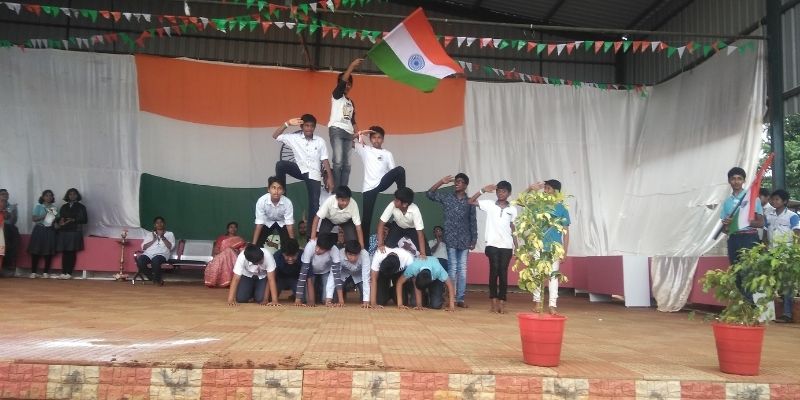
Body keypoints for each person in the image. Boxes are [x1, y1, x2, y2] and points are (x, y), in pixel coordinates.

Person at [274, 114, 334, 235]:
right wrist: (287, 123)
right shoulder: (294, 138)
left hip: (314, 174)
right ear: (301, 126)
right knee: (280, 165)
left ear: (314, 127)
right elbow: (275, 135)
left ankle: (310, 235)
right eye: (306, 125)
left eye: (312, 126)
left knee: (314, 204)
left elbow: (325, 160)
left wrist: (330, 178)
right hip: (300, 170)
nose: (309, 128)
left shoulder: (320, 141)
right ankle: (282, 195)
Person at [427, 174, 478, 304]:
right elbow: (429, 194)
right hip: (450, 239)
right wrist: (441, 182)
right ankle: (451, 298)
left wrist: (474, 239)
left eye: (460, 182)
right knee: (452, 268)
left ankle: (460, 298)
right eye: (456, 181)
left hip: (465, 239)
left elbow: (473, 221)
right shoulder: (447, 197)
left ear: (466, 185)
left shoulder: (470, 201)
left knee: (462, 270)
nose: (456, 183)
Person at [469, 181, 518, 313]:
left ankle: (502, 302)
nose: (500, 193)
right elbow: (470, 201)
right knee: (494, 270)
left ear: (509, 193)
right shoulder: (489, 204)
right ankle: (493, 301)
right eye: (498, 191)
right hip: (492, 244)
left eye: (504, 191)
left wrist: (517, 246)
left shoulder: (512, 209)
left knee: (503, 272)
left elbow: (513, 229)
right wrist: (482, 190)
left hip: (507, 246)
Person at [720, 167, 764, 302]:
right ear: (729, 181)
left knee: (749, 271)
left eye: (739, 178)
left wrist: (744, 220)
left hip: (749, 238)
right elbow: (725, 230)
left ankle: (751, 305)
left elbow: (761, 223)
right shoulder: (726, 202)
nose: (736, 181)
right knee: (737, 272)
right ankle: (743, 305)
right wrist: (727, 224)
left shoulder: (752, 198)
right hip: (734, 238)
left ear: (744, 181)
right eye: (733, 179)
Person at [527, 180, 571, 315]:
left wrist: (564, 251)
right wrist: (530, 189)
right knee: (536, 274)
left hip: (554, 247)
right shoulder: (539, 205)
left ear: (556, 191)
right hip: (538, 246)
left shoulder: (562, 208)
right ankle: (537, 302)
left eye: (548, 188)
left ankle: (552, 305)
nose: (545, 191)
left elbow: (566, 231)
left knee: (553, 276)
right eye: (544, 188)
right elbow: (522, 203)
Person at [354, 126, 406, 237]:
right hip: (368, 188)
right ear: (370, 139)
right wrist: (360, 133)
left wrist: (399, 192)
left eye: (379, 137)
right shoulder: (364, 149)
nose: (376, 140)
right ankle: (364, 246)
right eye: (374, 137)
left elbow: (394, 172)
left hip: (382, 183)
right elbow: (346, 140)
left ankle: (402, 198)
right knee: (366, 219)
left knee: (400, 170)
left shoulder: (387, 154)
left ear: (383, 139)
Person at [765, 189, 800, 323]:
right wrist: (765, 247)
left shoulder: (792, 216)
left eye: (777, 199)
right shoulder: (768, 215)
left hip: (786, 253)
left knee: (787, 283)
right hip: (771, 253)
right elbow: (765, 234)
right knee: (772, 282)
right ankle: (769, 313)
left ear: (784, 201)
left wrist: (795, 252)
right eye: (772, 199)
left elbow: (797, 234)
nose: (774, 201)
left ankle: (787, 314)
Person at [328, 58, 363, 188]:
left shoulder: (350, 102)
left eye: (349, 84)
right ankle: (337, 191)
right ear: (340, 84)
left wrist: (359, 135)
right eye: (345, 83)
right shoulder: (336, 95)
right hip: (336, 130)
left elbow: (352, 120)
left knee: (347, 165)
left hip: (348, 133)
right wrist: (352, 66)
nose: (347, 86)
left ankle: (343, 191)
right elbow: (342, 82)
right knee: (338, 162)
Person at [376, 188, 428, 259]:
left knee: (426, 252)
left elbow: (420, 233)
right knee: (387, 247)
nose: (394, 201)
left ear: (405, 204)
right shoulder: (392, 204)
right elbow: (381, 224)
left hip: (412, 228)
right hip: (397, 226)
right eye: (395, 199)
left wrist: (423, 253)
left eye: (397, 200)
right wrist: (380, 244)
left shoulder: (415, 210)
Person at [294, 235, 344, 307]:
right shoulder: (310, 245)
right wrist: (298, 299)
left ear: (328, 250)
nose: (317, 250)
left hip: (325, 271)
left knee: (325, 300)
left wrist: (340, 300)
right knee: (305, 300)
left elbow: (336, 276)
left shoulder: (334, 250)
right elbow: (303, 274)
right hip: (310, 270)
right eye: (317, 246)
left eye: (321, 249)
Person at [311, 185, 365, 250]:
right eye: (342, 200)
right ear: (336, 198)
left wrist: (362, 245)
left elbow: (358, 227)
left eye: (348, 200)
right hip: (329, 220)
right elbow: (317, 217)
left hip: (346, 222)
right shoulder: (330, 200)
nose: (345, 203)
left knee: (352, 240)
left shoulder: (353, 204)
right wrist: (313, 237)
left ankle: (348, 253)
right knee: (322, 238)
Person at [54, 188, 88, 280]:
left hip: (74, 231)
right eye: (70, 194)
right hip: (64, 231)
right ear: (67, 196)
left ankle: (69, 272)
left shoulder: (81, 207)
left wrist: (74, 220)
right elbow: (59, 218)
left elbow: (85, 220)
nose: (72, 196)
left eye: (74, 194)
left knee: (71, 252)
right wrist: (59, 221)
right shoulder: (64, 206)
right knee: (65, 252)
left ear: (77, 196)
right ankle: (63, 272)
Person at [252, 176, 295, 248]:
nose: (276, 191)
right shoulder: (261, 201)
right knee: (257, 243)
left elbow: (289, 224)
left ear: (283, 191)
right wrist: (253, 244)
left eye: (279, 188)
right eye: (273, 188)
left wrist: (293, 243)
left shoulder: (287, 202)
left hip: (282, 222)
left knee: (288, 245)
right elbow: (259, 223)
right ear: (268, 189)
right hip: (267, 221)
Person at [135, 216, 175, 286]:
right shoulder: (150, 234)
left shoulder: (170, 234)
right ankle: (154, 278)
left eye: (161, 222)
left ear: (164, 224)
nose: (159, 224)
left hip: (161, 254)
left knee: (155, 260)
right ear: (154, 225)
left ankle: (157, 280)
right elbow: (143, 247)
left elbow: (170, 247)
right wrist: (154, 239)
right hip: (148, 254)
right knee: (140, 261)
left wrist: (163, 237)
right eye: (157, 223)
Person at [204, 222, 247, 288]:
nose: (233, 229)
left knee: (229, 251)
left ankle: (229, 282)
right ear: (228, 229)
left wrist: (231, 250)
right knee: (227, 252)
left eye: (235, 227)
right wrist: (225, 253)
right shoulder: (222, 238)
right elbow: (216, 250)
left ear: (237, 229)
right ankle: (225, 282)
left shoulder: (239, 239)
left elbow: (242, 252)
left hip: (234, 256)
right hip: (221, 256)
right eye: (231, 227)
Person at [27, 190, 58, 278]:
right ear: (43, 197)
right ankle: (33, 272)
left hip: (49, 230)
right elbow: (34, 219)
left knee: (48, 250)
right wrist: (44, 215)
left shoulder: (54, 208)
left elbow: (53, 220)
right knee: (35, 250)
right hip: (39, 229)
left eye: (50, 195)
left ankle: (45, 272)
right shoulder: (39, 206)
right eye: (47, 195)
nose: (49, 197)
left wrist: (55, 223)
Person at [338, 240, 371, 306]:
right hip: (343, 275)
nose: (353, 258)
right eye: (350, 254)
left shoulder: (365, 254)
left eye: (355, 255)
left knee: (365, 299)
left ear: (359, 253)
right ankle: (343, 293)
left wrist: (366, 301)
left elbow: (366, 277)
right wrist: (339, 300)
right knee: (334, 299)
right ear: (345, 252)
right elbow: (335, 276)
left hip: (359, 276)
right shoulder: (340, 254)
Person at [0, 189, 19, 269]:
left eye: (7, 194)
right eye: (3, 194)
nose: (5, 195)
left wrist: (11, 211)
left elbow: (13, 220)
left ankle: (7, 265)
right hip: (2, 228)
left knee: (10, 247)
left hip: (9, 228)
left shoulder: (12, 206)